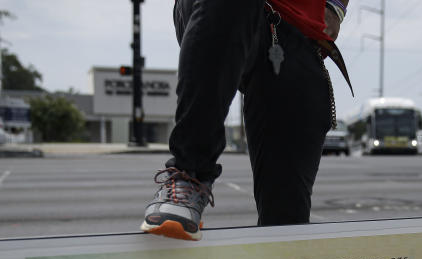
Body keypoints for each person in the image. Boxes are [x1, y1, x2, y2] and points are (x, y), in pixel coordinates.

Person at [142, 0, 351, 241]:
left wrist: (336, 6)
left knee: (287, 218)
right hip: (216, 11)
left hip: (296, 31)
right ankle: (189, 175)